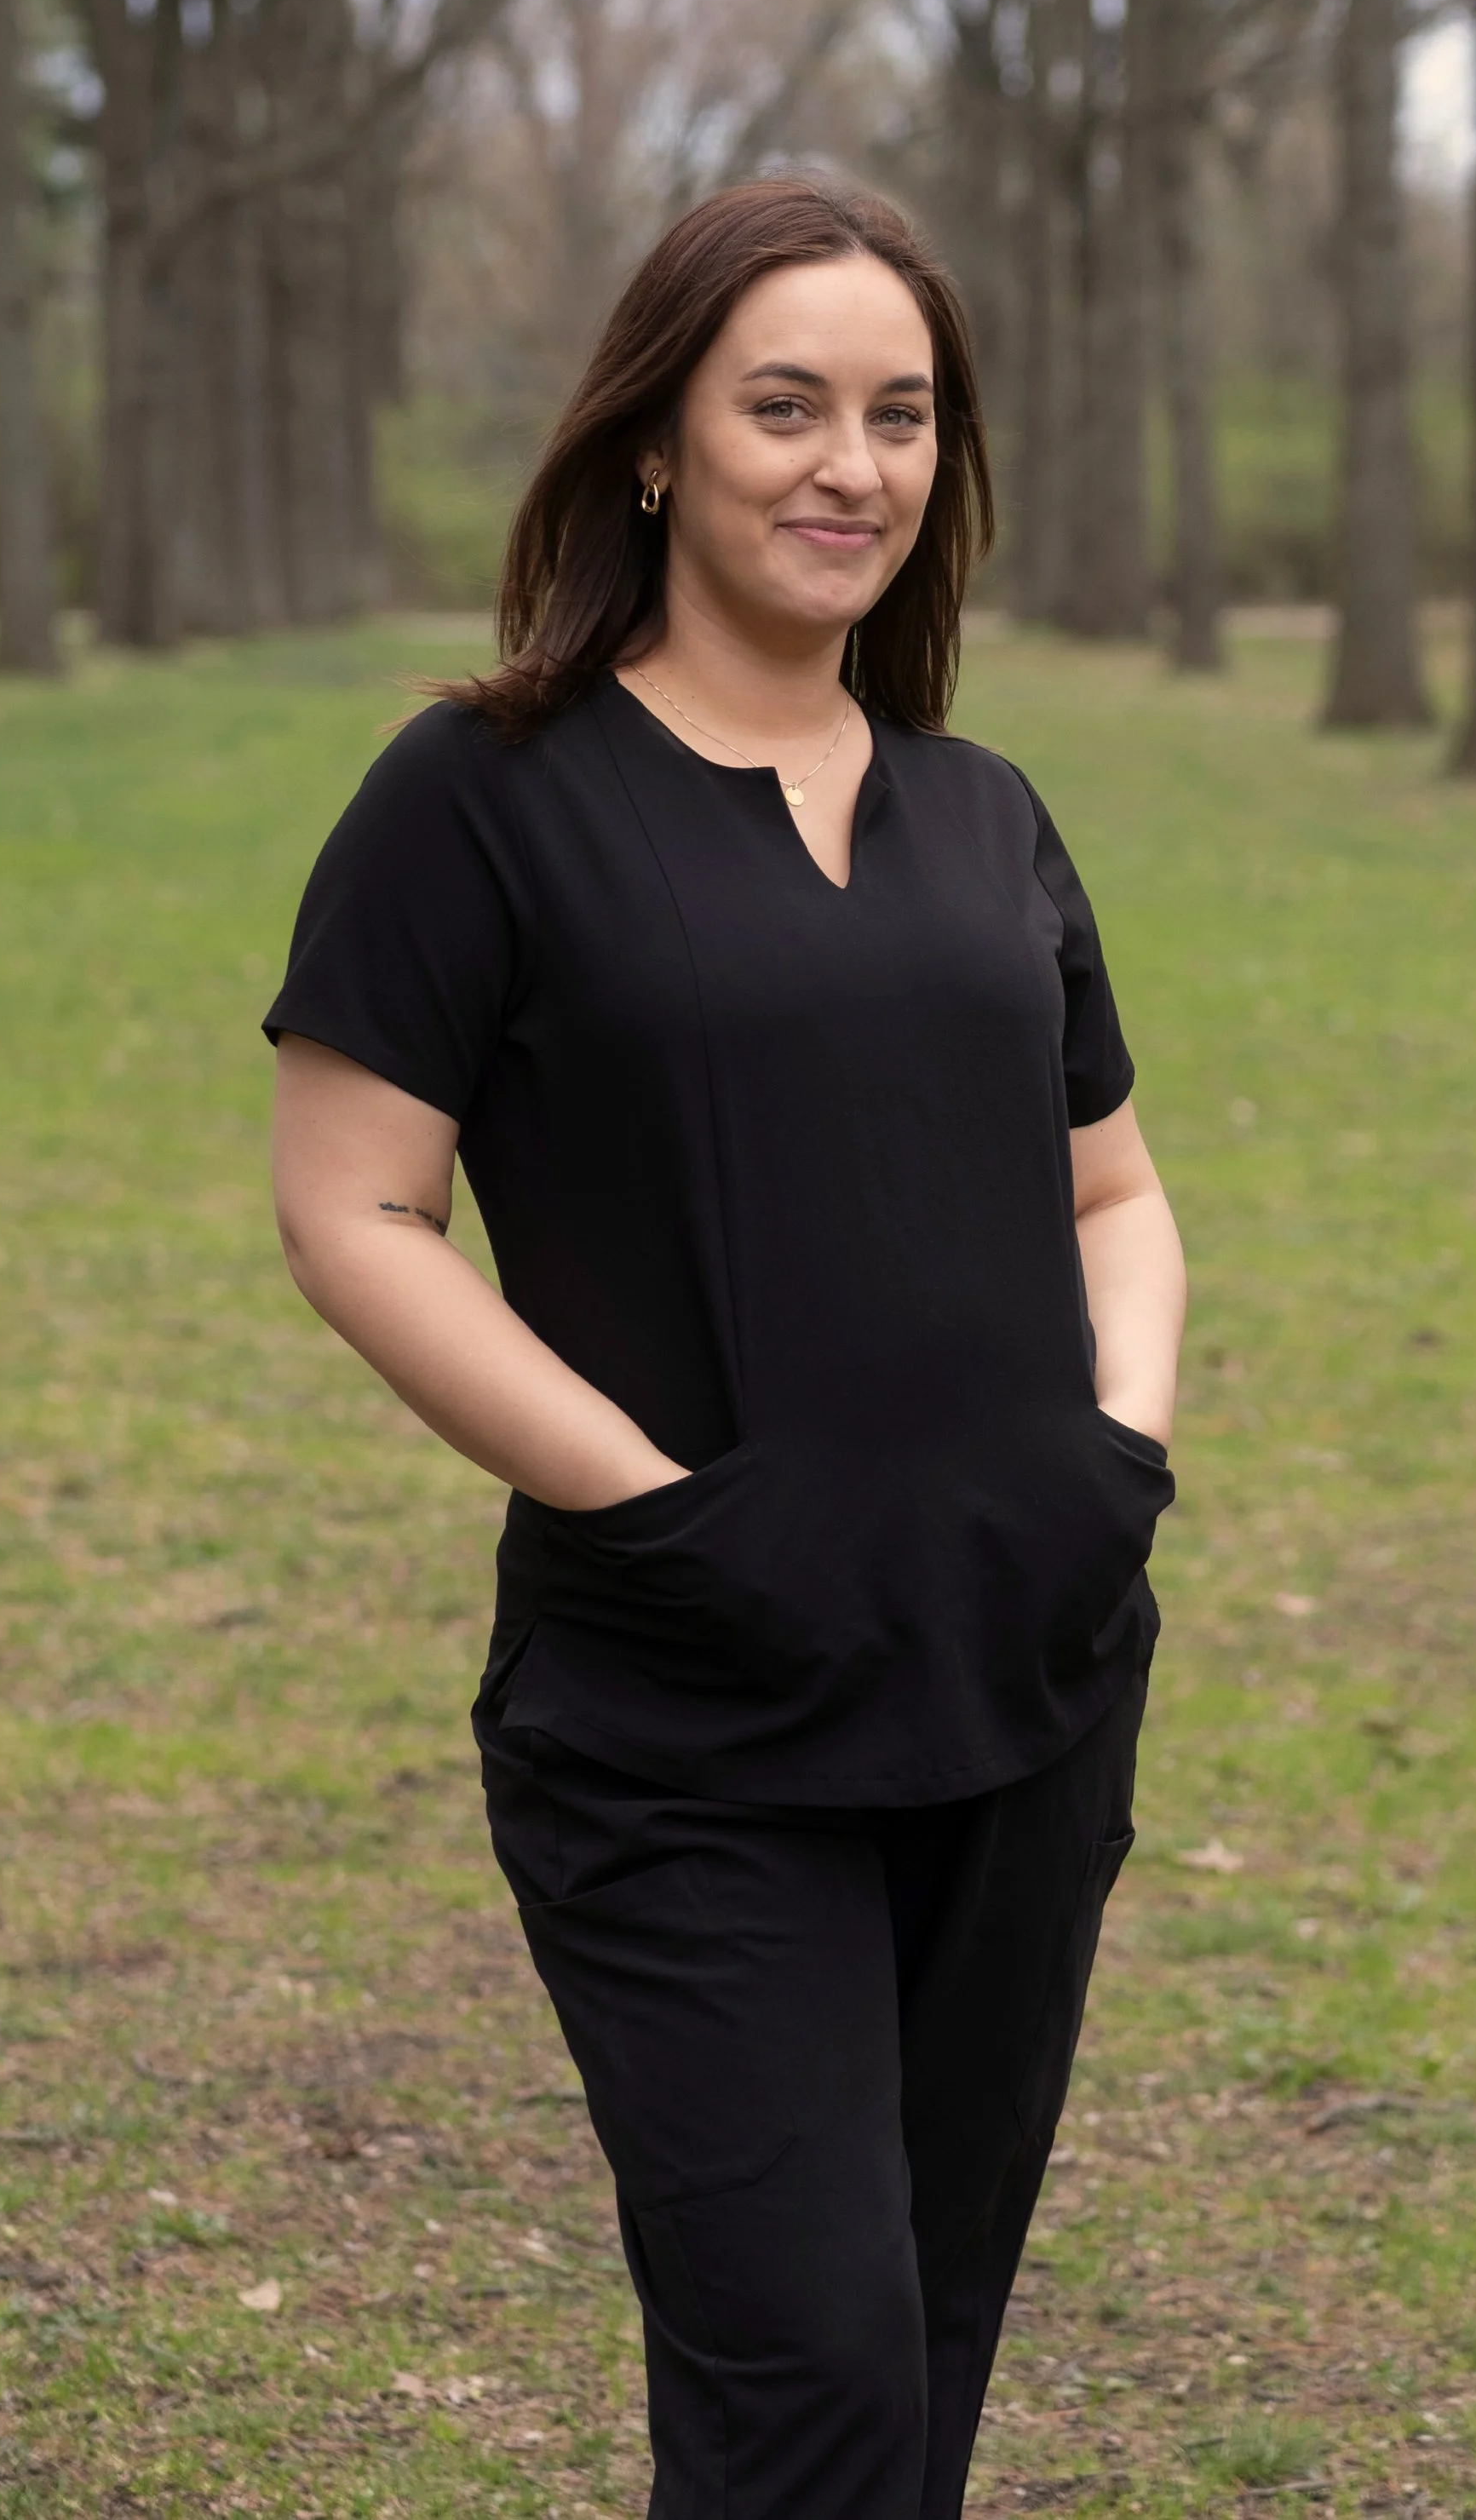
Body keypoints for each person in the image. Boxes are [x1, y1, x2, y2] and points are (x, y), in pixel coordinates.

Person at [265, 174, 1187, 2520]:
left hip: (1025, 1683)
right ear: (655, 439)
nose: (844, 464)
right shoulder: (476, 794)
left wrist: (1117, 1464)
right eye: (782, 403)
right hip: (687, 1708)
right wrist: (652, 1506)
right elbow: (356, 1207)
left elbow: (1115, 1186)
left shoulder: (987, 816)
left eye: (896, 415)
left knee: (919, 2353)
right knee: (812, 2386)